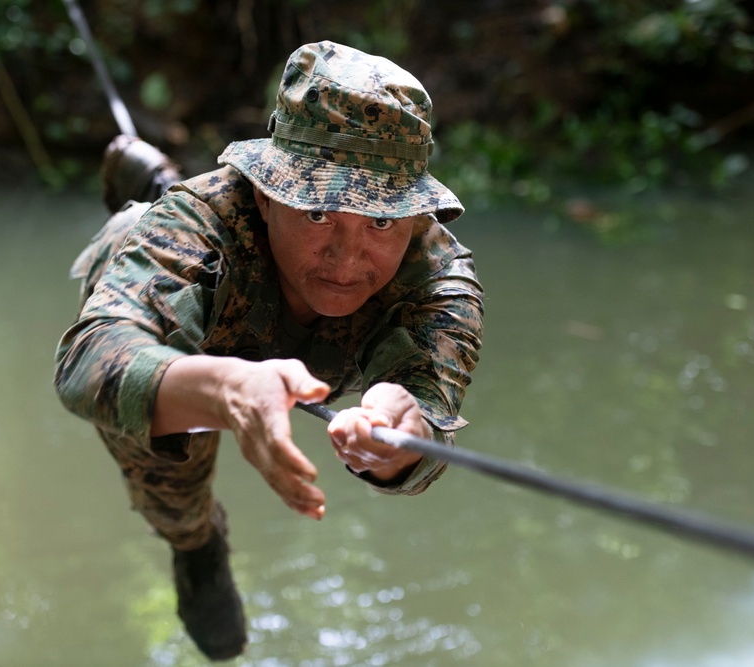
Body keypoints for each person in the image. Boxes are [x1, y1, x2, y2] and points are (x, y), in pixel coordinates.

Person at [55, 40, 483, 661]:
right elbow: (88, 363)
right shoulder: (203, 222)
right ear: (264, 193)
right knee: (168, 478)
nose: (346, 258)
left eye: (382, 222)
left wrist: (399, 431)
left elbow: (433, 419)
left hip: (248, 290)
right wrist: (228, 392)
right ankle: (195, 544)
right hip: (184, 332)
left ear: (416, 219)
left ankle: (167, 181)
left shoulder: (441, 281)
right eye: (317, 213)